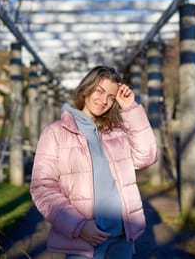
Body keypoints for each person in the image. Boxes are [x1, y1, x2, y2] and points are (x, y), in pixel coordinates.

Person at [30, 66, 158, 259]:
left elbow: (147, 155)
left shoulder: (117, 131)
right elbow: (42, 188)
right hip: (84, 241)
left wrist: (131, 108)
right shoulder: (55, 132)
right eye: (99, 91)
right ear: (86, 88)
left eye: (111, 97)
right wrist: (79, 226)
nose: (104, 100)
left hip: (121, 237)